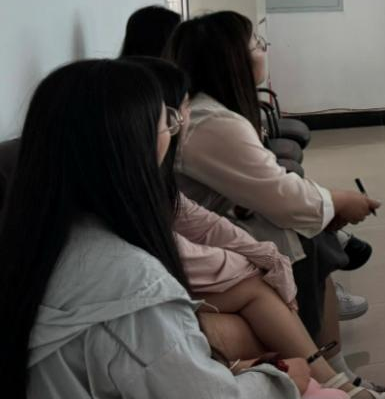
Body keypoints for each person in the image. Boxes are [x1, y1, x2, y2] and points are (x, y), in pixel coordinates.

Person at [0, 59, 301, 398]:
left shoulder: (33, 237)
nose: (178, 124)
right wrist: (280, 380)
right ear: (135, 144)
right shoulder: (134, 280)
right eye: (168, 119)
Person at [129, 57, 385, 399]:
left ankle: (332, 381)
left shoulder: (147, 181)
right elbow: (279, 197)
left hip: (178, 297)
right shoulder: (206, 125)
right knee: (281, 259)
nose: (181, 121)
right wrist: (259, 263)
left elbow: (202, 222)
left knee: (270, 269)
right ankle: (330, 381)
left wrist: (265, 257)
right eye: (172, 116)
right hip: (165, 315)